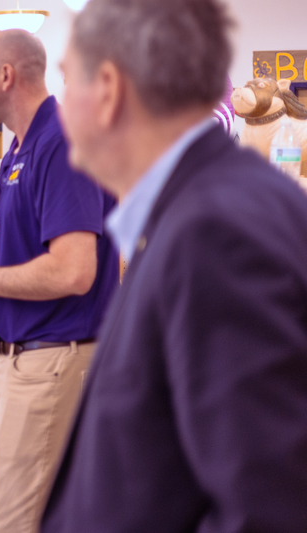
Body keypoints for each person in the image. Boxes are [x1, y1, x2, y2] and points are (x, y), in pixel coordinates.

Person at [41, 0, 307, 531]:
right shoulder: (197, 208)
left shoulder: (217, 233)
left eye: (66, 80)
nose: (60, 106)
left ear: (110, 89)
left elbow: (265, 505)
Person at [0, 30, 118, 533]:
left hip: (52, 361)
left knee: (13, 522)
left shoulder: (61, 142)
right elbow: (11, 255)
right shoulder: (21, 148)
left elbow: (73, 271)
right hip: (19, 361)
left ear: (5, 75)